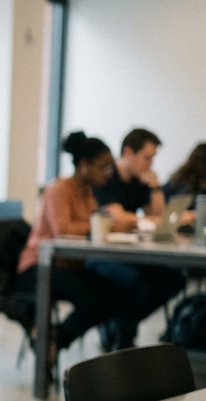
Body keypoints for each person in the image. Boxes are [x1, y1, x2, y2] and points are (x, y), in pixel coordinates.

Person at [16, 133, 127, 362]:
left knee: (115, 295)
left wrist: (108, 224)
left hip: (68, 266)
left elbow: (91, 226)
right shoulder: (58, 189)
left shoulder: (87, 192)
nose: (109, 173)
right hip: (40, 266)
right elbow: (63, 230)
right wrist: (104, 224)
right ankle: (51, 342)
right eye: (103, 167)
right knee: (97, 300)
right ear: (84, 166)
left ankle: (53, 340)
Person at [88, 128, 185, 350]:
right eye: (147, 158)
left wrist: (155, 186)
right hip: (101, 253)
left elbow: (158, 216)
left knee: (173, 280)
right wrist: (140, 219)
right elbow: (118, 217)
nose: (151, 164)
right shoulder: (107, 177)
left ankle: (120, 326)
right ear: (128, 152)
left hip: (128, 251)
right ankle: (123, 334)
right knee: (135, 282)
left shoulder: (138, 181)